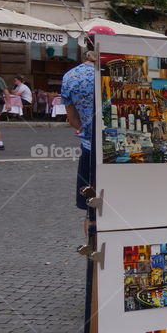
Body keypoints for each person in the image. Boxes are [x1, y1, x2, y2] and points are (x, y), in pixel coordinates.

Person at [61, 52, 97, 219]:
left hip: (89, 147)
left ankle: (93, 243)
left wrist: (85, 127)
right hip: (122, 153)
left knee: (91, 211)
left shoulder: (71, 76)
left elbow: (73, 119)